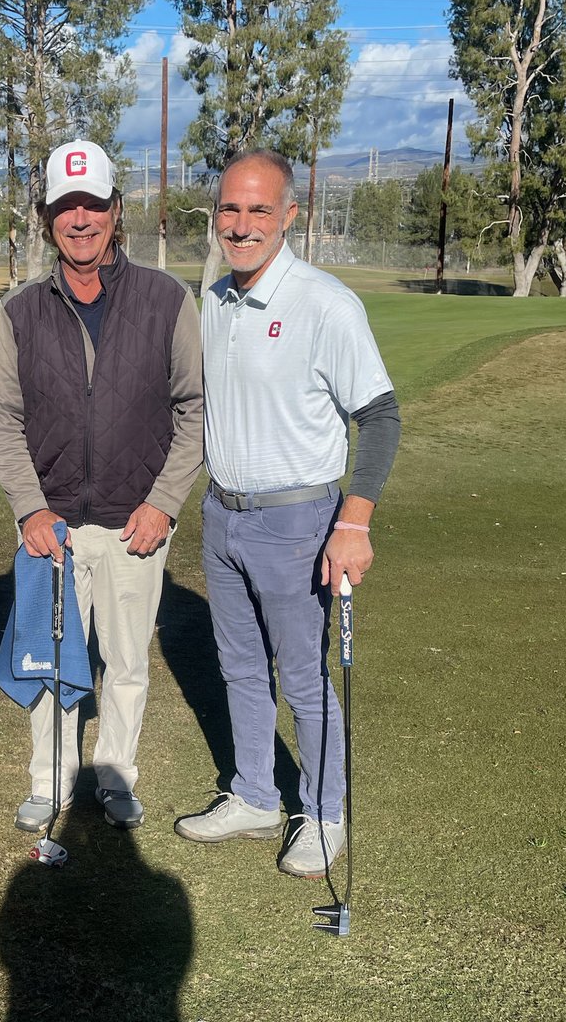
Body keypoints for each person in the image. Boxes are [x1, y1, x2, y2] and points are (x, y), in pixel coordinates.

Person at [176, 149, 400, 877]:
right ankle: (254, 795)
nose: (241, 226)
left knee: (303, 680)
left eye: (258, 210)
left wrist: (354, 521)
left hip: (299, 521)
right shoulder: (213, 298)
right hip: (223, 515)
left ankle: (326, 813)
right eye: (229, 210)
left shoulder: (324, 302)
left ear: (289, 215)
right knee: (239, 668)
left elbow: (380, 414)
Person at [0, 139, 204, 831]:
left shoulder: (167, 299)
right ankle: (50, 781)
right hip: (52, 527)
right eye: (63, 207)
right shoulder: (18, 312)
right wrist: (27, 507)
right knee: (52, 661)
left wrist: (164, 503)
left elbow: (193, 408)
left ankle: (114, 774)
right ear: (46, 217)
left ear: (115, 209)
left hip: (134, 521)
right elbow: (3, 417)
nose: (78, 220)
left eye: (91, 205)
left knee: (125, 661)